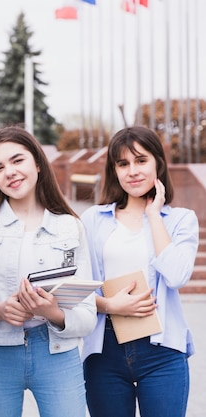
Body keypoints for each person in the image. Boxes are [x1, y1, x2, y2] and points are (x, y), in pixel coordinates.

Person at [0, 126, 97, 417]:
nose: (9, 172)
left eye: (17, 160)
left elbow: (87, 315)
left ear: (37, 163)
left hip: (57, 355)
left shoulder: (70, 226)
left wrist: (53, 312)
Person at [81, 126, 198, 417]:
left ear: (158, 162)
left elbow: (176, 275)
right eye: (123, 164)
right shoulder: (93, 220)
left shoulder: (181, 220)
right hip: (104, 349)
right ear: (114, 170)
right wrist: (109, 304)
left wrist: (153, 216)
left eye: (141, 160)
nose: (132, 171)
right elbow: (78, 288)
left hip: (162, 350)